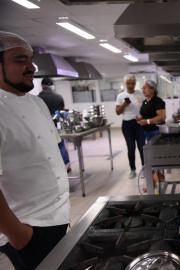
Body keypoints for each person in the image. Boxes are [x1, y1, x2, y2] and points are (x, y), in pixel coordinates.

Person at [0, 31, 69, 270]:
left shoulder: (37, 102)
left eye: (31, 59)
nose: (31, 67)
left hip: (59, 219)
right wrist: (20, 236)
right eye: (20, 60)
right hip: (24, 232)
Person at [38, 77, 71, 173]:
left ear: (42, 86)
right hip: (58, 124)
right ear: (51, 86)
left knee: (48, 146)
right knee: (61, 145)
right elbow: (62, 110)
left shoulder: (39, 98)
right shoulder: (58, 97)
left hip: (44, 125)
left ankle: (54, 167)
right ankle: (66, 164)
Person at [115, 74, 145, 179]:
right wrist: (124, 104)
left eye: (132, 83)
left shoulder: (140, 95)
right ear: (125, 84)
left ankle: (144, 168)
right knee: (131, 148)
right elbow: (118, 112)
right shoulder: (120, 96)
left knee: (142, 147)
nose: (130, 85)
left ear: (135, 83)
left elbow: (145, 109)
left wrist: (143, 117)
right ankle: (132, 169)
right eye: (128, 83)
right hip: (127, 124)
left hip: (139, 124)